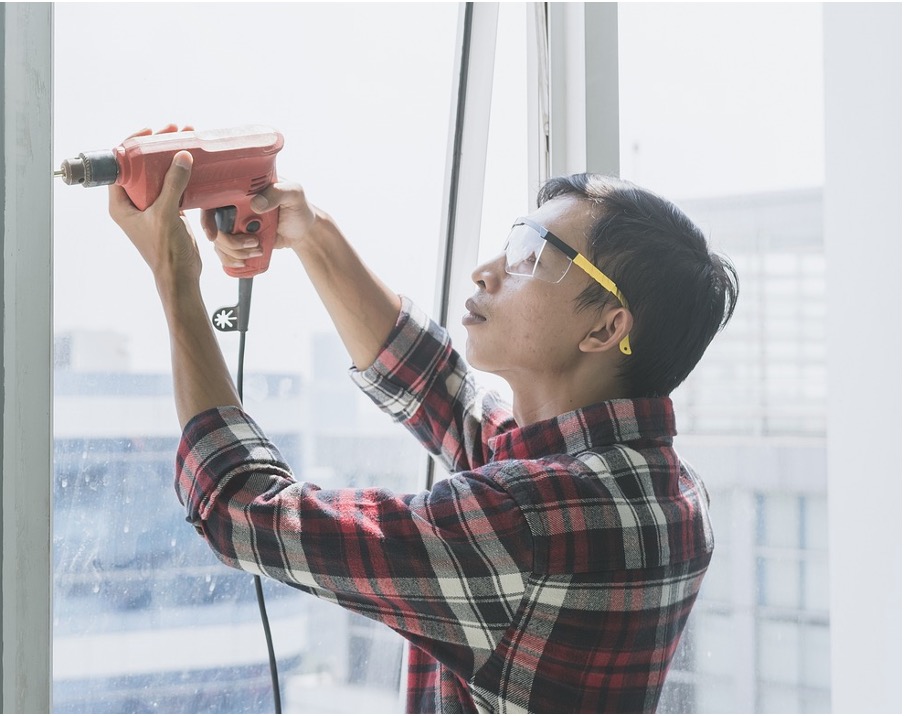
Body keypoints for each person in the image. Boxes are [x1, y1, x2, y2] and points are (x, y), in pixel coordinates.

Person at [109, 133, 738, 714]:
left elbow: (240, 508)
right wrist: (308, 231)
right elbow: (445, 398)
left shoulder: (526, 520)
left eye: (532, 255)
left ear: (605, 327)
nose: (487, 270)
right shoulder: (664, 486)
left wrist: (175, 277)